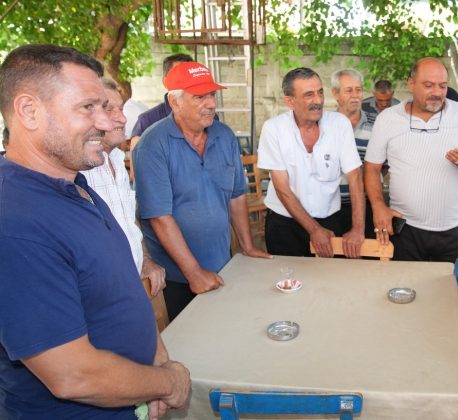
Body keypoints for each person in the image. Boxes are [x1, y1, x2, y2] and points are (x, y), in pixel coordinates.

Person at [0, 44, 190, 419]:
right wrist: (168, 383)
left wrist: (158, 365)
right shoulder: (16, 222)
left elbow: (122, 288)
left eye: (103, 107)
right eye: (87, 108)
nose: (105, 123)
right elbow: (73, 375)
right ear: (28, 111)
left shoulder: (77, 186)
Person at [134, 61, 270, 320]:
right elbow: (159, 216)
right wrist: (193, 272)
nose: (211, 104)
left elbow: (237, 194)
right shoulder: (152, 145)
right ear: (175, 102)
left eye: (212, 95)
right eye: (200, 97)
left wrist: (247, 246)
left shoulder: (225, 135)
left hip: (222, 264)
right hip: (177, 277)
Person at [365, 57, 458, 263]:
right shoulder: (388, 118)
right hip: (405, 231)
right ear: (411, 84)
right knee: (403, 291)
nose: (437, 92)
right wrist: (379, 207)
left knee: (455, 293)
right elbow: (372, 168)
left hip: (453, 231)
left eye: (442, 86)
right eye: (428, 85)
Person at [258, 67, 365, 258]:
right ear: (290, 101)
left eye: (320, 92)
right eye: (309, 95)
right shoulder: (273, 129)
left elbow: (355, 177)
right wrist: (314, 230)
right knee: (288, 282)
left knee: (329, 283)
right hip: (285, 224)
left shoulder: (340, 124)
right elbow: (281, 188)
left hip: (331, 221)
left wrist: (358, 229)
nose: (318, 101)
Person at [80, 78, 166, 296]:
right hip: (105, 295)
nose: (122, 118)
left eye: (121, 108)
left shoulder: (117, 158)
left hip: (134, 286)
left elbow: (128, 220)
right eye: (109, 109)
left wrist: (145, 261)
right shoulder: (75, 172)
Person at [331, 68, 377, 237]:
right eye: (349, 91)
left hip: (366, 204)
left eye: (358, 90)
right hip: (332, 207)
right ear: (335, 93)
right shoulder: (325, 125)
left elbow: (382, 166)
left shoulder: (377, 123)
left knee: (367, 256)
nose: (355, 95)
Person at [129, 54, 194, 152]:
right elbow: (136, 164)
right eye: (180, 76)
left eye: (191, 76)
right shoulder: (147, 121)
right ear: (165, 82)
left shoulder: (208, 117)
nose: (186, 82)